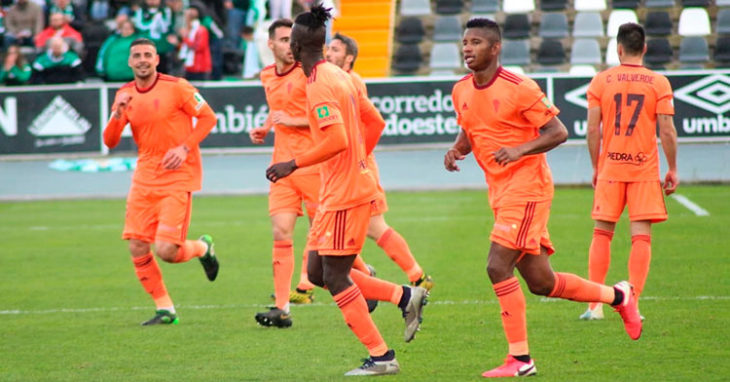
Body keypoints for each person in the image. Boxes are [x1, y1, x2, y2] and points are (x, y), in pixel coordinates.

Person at [443, 18, 643, 378]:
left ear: (495, 48)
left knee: (496, 265)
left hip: (528, 187)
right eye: (464, 42)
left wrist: (520, 150)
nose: (467, 48)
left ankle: (520, 360)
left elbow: (558, 131)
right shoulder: (461, 90)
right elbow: (471, 127)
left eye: (475, 42)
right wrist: (458, 149)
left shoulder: (520, 87)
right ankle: (619, 296)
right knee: (541, 283)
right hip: (500, 191)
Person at [266, 5, 427, 376]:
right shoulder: (338, 75)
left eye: (290, 38)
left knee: (335, 276)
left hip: (344, 191)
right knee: (319, 271)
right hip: (342, 185)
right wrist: (360, 159)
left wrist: (294, 163)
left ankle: (382, 356)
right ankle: (404, 296)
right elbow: (374, 121)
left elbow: (336, 138)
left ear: (296, 44)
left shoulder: (320, 82)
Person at [103, 38, 219, 326]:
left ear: (157, 60)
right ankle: (165, 309)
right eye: (136, 56)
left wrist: (184, 148)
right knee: (137, 246)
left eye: (147, 55)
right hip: (144, 178)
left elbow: (208, 118)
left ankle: (203, 248)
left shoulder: (177, 86)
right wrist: (118, 114)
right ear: (129, 62)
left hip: (178, 177)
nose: (142, 60)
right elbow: (109, 140)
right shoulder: (124, 94)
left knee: (166, 250)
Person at [580, 23, 678, 321]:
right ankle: (632, 302)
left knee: (602, 232)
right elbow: (668, 131)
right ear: (644, 49)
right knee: (641, 237)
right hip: (644, 169)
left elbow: (592, 130)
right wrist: (672, 167)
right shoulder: (658, 82)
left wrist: (597, 166)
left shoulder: (601, 81)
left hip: (610, 166)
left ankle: (595, 306)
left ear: (618, 49)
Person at [325, 32, 434, 291]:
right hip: (341, 168)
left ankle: (411, 277)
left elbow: (368, 124)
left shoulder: (350, 81)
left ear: (349, 58)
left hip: (356, 167)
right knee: (349, 230)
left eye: (336, 50)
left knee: (372, 227)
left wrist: (359, 158)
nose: (329, 53)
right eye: (329, 49)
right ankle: (400, 275)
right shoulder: (337, 79)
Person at [249, 18, 319, 327]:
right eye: (283, 40)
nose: (290, 46)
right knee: (281, 232)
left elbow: (327, 115)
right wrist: (265, 128)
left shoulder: (312, 74)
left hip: (315, 164)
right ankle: (281, 308)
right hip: (281, 167)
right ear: (271, 45)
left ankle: (365, 278)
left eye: (293, 40)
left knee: (327, 239)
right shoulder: (266, 75)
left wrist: (290, 120)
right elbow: (276, 108)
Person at [178, 5, 212, 81]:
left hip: (199, 67)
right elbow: (183, 49)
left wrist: (185, 38)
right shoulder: (188, 31)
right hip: (189, 67)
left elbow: (199, 47)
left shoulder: (201, 30)